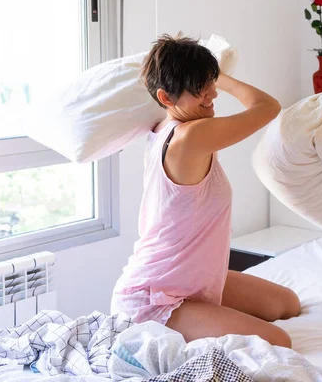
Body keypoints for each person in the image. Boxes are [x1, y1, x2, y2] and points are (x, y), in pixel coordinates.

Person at [111, 33, 300, 348]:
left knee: (287, 304)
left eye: (210, 82)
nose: (212, 93)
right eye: (200, 87)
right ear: (167, 98)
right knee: (279, 343)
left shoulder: (163, 127)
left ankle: (205, 315)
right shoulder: (191, 137)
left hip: (189, 281)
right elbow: (268, 107)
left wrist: (208, 74)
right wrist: (225, 78)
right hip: (154, 299)